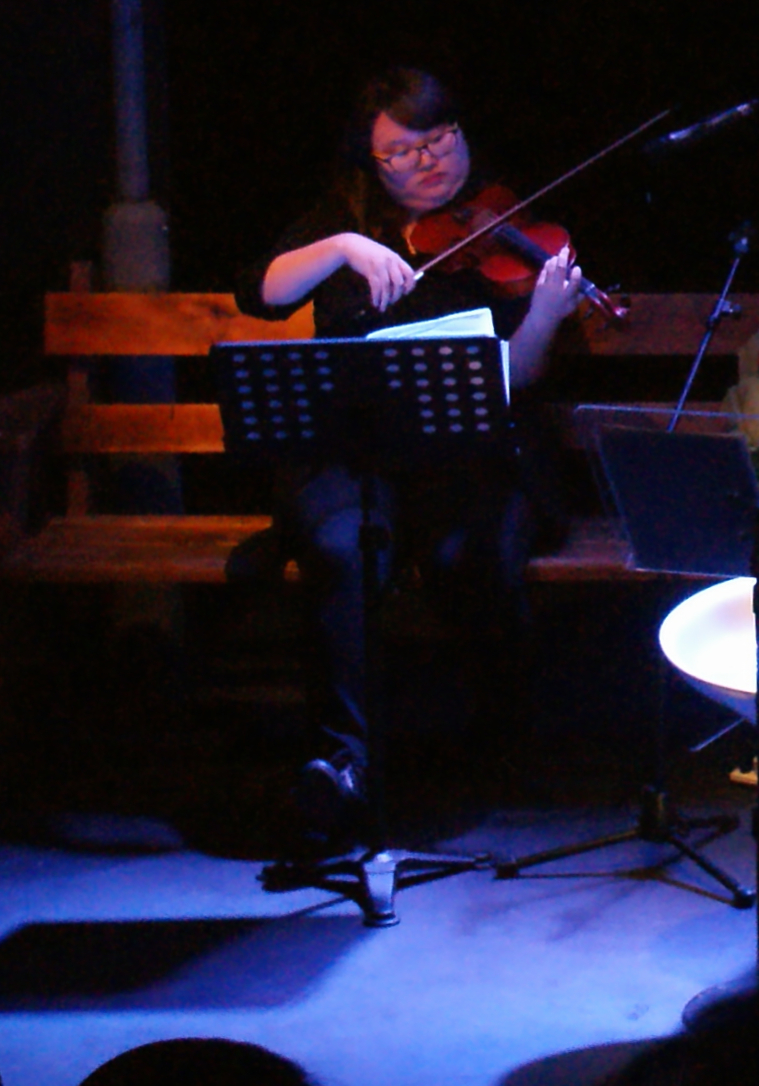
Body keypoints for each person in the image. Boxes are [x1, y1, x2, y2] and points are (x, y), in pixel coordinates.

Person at [234, 67, 598, 845]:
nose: (427, 161)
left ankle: (497, 737)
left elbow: (518, 375)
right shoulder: (340, 222)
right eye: (401, 152)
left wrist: (542, 312)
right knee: (342, 546)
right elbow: (259, 291)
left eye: (438, 139)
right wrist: (343, 248)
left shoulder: (506, 227)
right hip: (356, 453)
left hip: (466, 452)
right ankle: (345, 763)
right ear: (371, 163)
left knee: (469, 551)